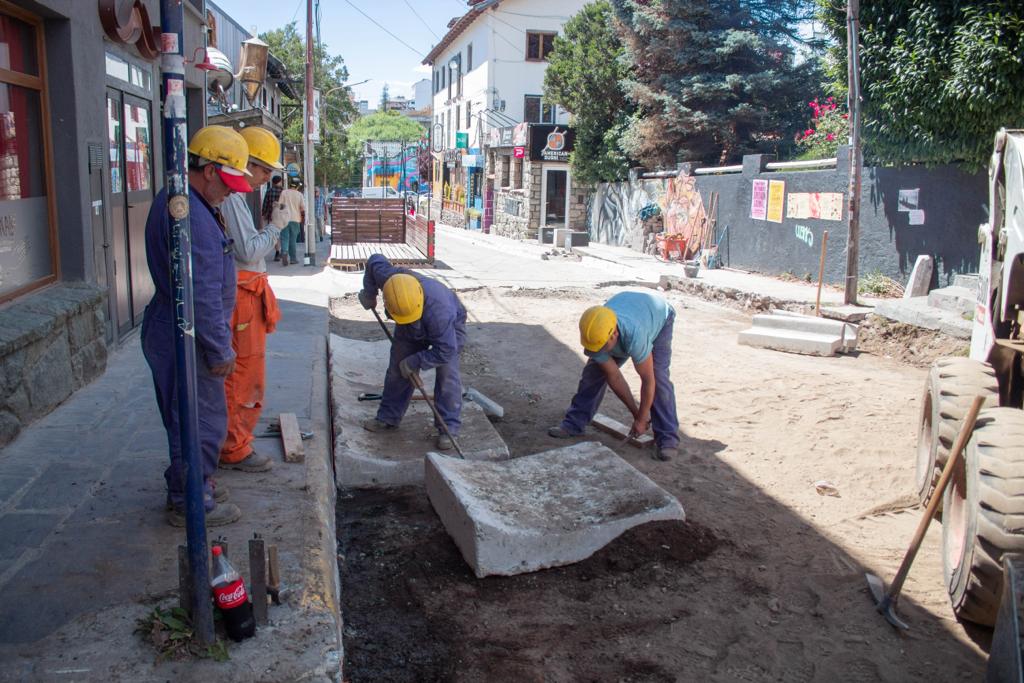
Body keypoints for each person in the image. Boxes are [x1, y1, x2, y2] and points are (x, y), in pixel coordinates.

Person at [142, 125, 253, 527]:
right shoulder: (192, 215)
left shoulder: (186, 203)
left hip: (175, 327)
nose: (230, 192)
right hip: (188, 333)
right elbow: (202, 292)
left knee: (185, 414)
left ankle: (192, 482)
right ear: (208, 169)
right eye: (226, 182)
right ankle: (191, 500)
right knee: (199, 419)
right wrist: (221, 348)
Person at [219, 126, 292, 473]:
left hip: (247, 291)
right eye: (264, 170)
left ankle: (234, 440)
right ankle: (234, 448)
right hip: (241, 295)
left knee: (246, 372)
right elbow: (248, 251)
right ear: (246, 162)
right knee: (242, 375)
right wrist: (276, 228)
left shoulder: (236, 198)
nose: (265, 179)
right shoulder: (232, 199)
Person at [548, 291, 680, 461]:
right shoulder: (594, 336)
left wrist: (642, 416)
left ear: (614, 335)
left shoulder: (635, 336)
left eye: (603, 347)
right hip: (628, 308)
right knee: (593, 374)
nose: (599, 352)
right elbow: (614, 377)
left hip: (659, 317)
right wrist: (638, 415)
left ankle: (667, 438)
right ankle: (574, 423)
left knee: (658, 376)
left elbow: (648, 381)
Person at [357, 254, 467, 450]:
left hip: (448, 326)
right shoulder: (389, 277)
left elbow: (446, 351)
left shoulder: (440, 315)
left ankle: (448, 428)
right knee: (397, 368)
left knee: (447, 374)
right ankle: (388, 417)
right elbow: (374, 260)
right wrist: (369, 293)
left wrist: (416, 361)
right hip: (407, 325)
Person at [278, 181, 305, 266]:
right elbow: (302, 208)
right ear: (297, 187)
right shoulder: (299, 194)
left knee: (284, 237)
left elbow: (280, 205)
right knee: (292, 239)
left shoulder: (284, 192)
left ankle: (284, 252)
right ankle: (293, 259)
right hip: (295, 219)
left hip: (284, 219)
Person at [262, 175, 284, 262]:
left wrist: (263, 213)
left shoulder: (269, 191)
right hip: (282, 216)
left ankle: (277, 252)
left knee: (276, 234)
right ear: (279, 182)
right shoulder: (283, 191)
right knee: (283, 234)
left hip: (272, 216)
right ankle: (284, 250)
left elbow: (265, 203)